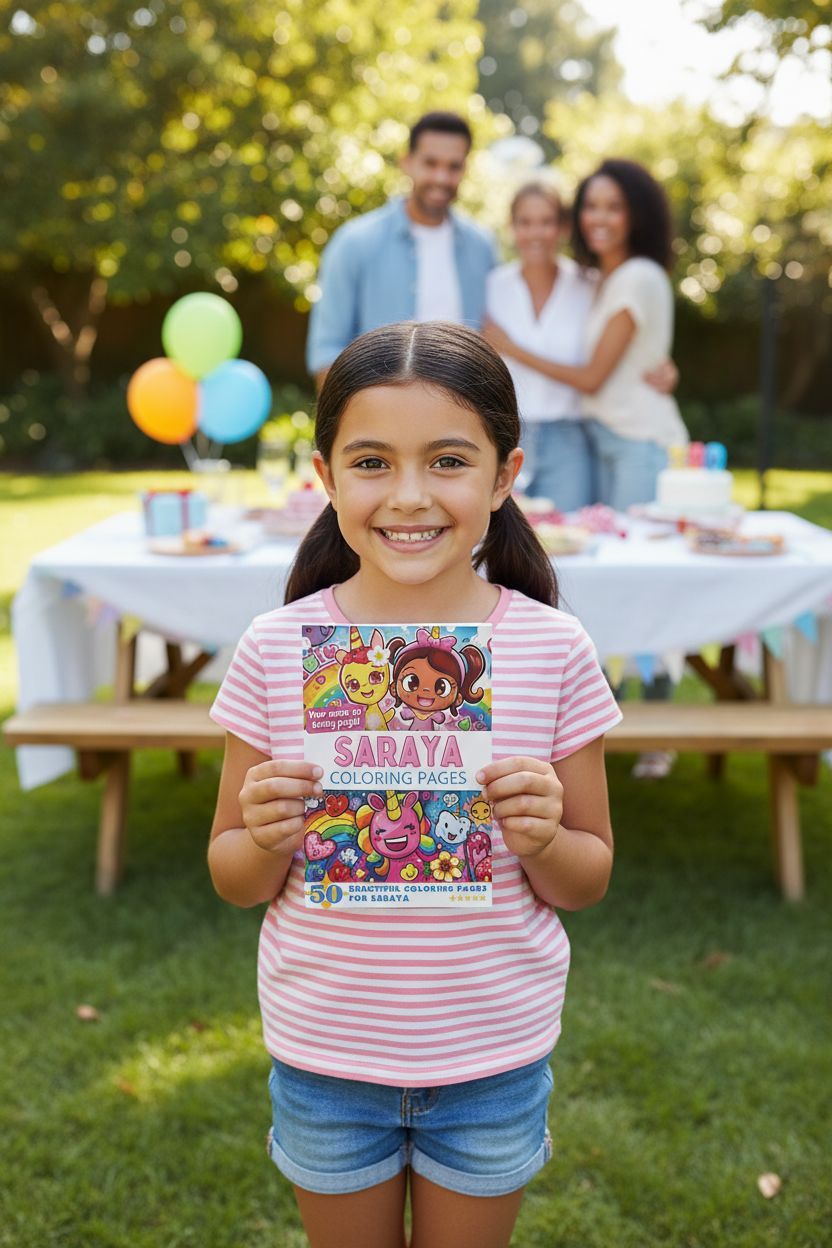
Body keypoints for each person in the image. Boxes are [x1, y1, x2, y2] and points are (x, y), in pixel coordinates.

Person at [208, 321, 622, 1248]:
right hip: (326, 1058)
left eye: (446, 461)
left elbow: (586, 879)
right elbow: (233, 878)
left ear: (504, 475)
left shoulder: (552, 650)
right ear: (323, 477)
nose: (408, 496)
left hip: (491, 1061)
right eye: (370, 462)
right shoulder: (278, 650)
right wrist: (263, 833)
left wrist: (545, 838)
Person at [484, 159, 687, 512]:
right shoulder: (495, 287)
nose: (536, 233)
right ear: (511, 227)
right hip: (539, 433)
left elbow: (599, 371)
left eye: (547, 222)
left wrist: (511, 348)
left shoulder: (591, 283)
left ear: (562, 227)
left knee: (599, 547)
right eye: (592, 207)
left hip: (592, 437)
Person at [305, 112, 496, 388]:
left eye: (453, 166)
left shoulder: (483, 248)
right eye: (430, 163)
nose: (441, 177)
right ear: (407, 162)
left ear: (465, 169)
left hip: (463, 420)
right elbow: (325, 354)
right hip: (380, 421)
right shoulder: (354, 242)